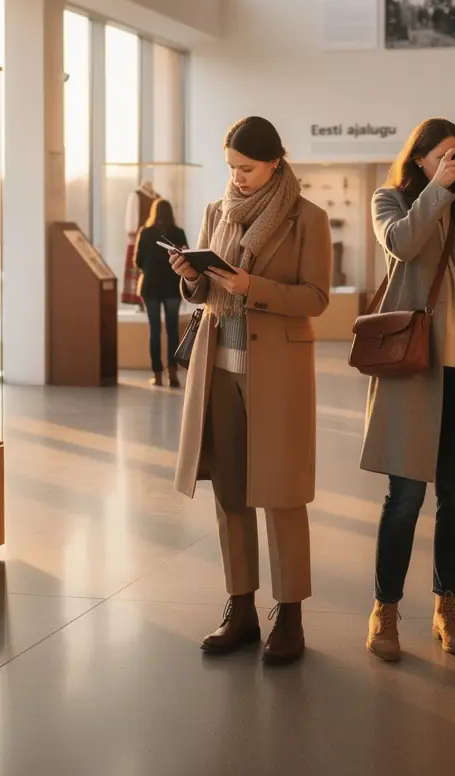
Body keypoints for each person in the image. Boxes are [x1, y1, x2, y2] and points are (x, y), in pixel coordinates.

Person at [167, 117, 332, 666]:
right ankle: (240, 608)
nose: (237, 178)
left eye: (248, 168)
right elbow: (204, 294)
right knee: (230, 491)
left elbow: (315, 299)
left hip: (278, 373)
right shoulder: (218, 212)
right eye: (232, 168)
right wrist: (190, 276)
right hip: (220, 368)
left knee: (282, 495)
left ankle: (289, 616)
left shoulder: (309, 218)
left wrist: (250, 287)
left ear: (275, 163)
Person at [361, 119, 455, 663]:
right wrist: (435, 192)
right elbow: (402, 244)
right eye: (447, 156)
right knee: (404, 501)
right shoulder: (390, 200)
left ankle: (447, 606)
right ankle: (385, 610)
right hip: (413, 373)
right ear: (421, 158)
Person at [134, 198, 188, 388]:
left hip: (151, 286)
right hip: (173, 286)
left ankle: (157, 374)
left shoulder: (146, 233)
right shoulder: (178, 233)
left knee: (154, 331)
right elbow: (186, 257)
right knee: (173, 331)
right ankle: (173, 374)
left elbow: (138, 261)